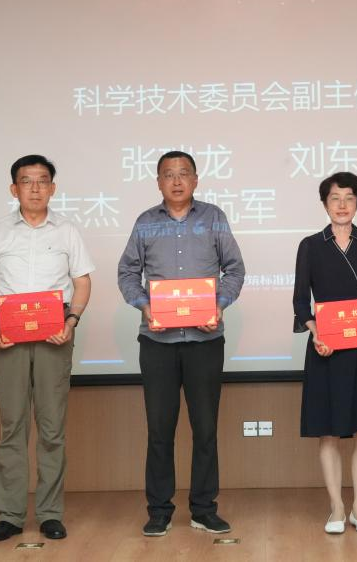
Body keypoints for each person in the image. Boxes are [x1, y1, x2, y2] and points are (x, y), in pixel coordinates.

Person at [116, 150, 245, 537]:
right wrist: (145, 306)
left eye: (183, 173)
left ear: (195, 180)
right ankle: (159, 510)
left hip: (205, 340)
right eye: (168, 174)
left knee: (205, 428)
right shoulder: (145, 222)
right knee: (160, 429)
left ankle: (204, 509)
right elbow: (127, 273)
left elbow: (234, 269)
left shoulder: (214, 218)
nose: (176, 181)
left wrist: (218, 306)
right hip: (157, 341)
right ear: (158, 182)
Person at [0, 154, 94, 543]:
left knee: (51, 427)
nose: (36, 188)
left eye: (43, 181)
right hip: (7, 334)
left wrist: (71, 321)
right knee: (12, 425)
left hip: (54, 332)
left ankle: (49, 513)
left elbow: (83, 282)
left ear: (53, 188)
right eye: (27, 181)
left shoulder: (67, 230)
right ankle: (9, 515)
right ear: (14, 189)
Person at [292, 172, 357, 535]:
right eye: (335, 198)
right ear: (325, 203)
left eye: (349, 198)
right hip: (326, 348)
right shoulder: (311, 245)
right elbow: (300, 301)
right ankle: (336, 507)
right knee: (329, 433)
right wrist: (316, 331)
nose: (342, 205)